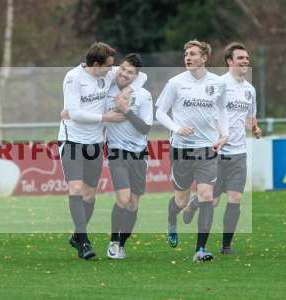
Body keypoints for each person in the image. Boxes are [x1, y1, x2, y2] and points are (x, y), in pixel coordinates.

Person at [58, 42, 147, 259]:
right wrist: (104, 117)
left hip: (96, 142)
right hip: (72, 140)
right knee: (76, 188)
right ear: (96, 64)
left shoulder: (107, 73)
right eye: (109, 66)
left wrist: (128, 89)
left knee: (89, 194)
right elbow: (75, 113)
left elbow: (141, 76)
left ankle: (77, 237)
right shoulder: (73, 78)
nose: (113, 69)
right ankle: (84, 242)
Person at [182, 42, 262, 254]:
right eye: (241, 58)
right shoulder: (218, 85)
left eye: (247, 58)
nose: (246, 61)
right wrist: (220, 134)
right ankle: (193, 204)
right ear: (229, 61)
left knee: (235, 198)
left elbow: (250, 117)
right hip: (216, 153)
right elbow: (210, 113)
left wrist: (255, 128)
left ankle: (226, 246)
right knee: (213, 201)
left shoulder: (250, 90)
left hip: (238, 154)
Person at [155, 40, 229, 262]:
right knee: (181, 200)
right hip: (181, 149)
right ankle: (171, 219)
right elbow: (160, 113)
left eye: (193, 53)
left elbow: (222, 111)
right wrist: (177, 129)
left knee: (206, 195)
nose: (187, 57)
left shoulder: (217, 83)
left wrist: (224, 134)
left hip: (207, 148)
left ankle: (200, 250)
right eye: (186, 53)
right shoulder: (175, 83)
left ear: (204, 58)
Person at [104, 53, 153, 259]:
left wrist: (126, 110)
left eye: (130, 72)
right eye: (122, 69)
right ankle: (113, 242)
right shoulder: (107, 87)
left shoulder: (143, 95)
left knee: (133, 203)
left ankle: (122, 244)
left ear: (136, 75)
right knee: (123, 199)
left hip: (139, 154)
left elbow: (145, 128)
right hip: (116, 151)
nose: (124, 73)